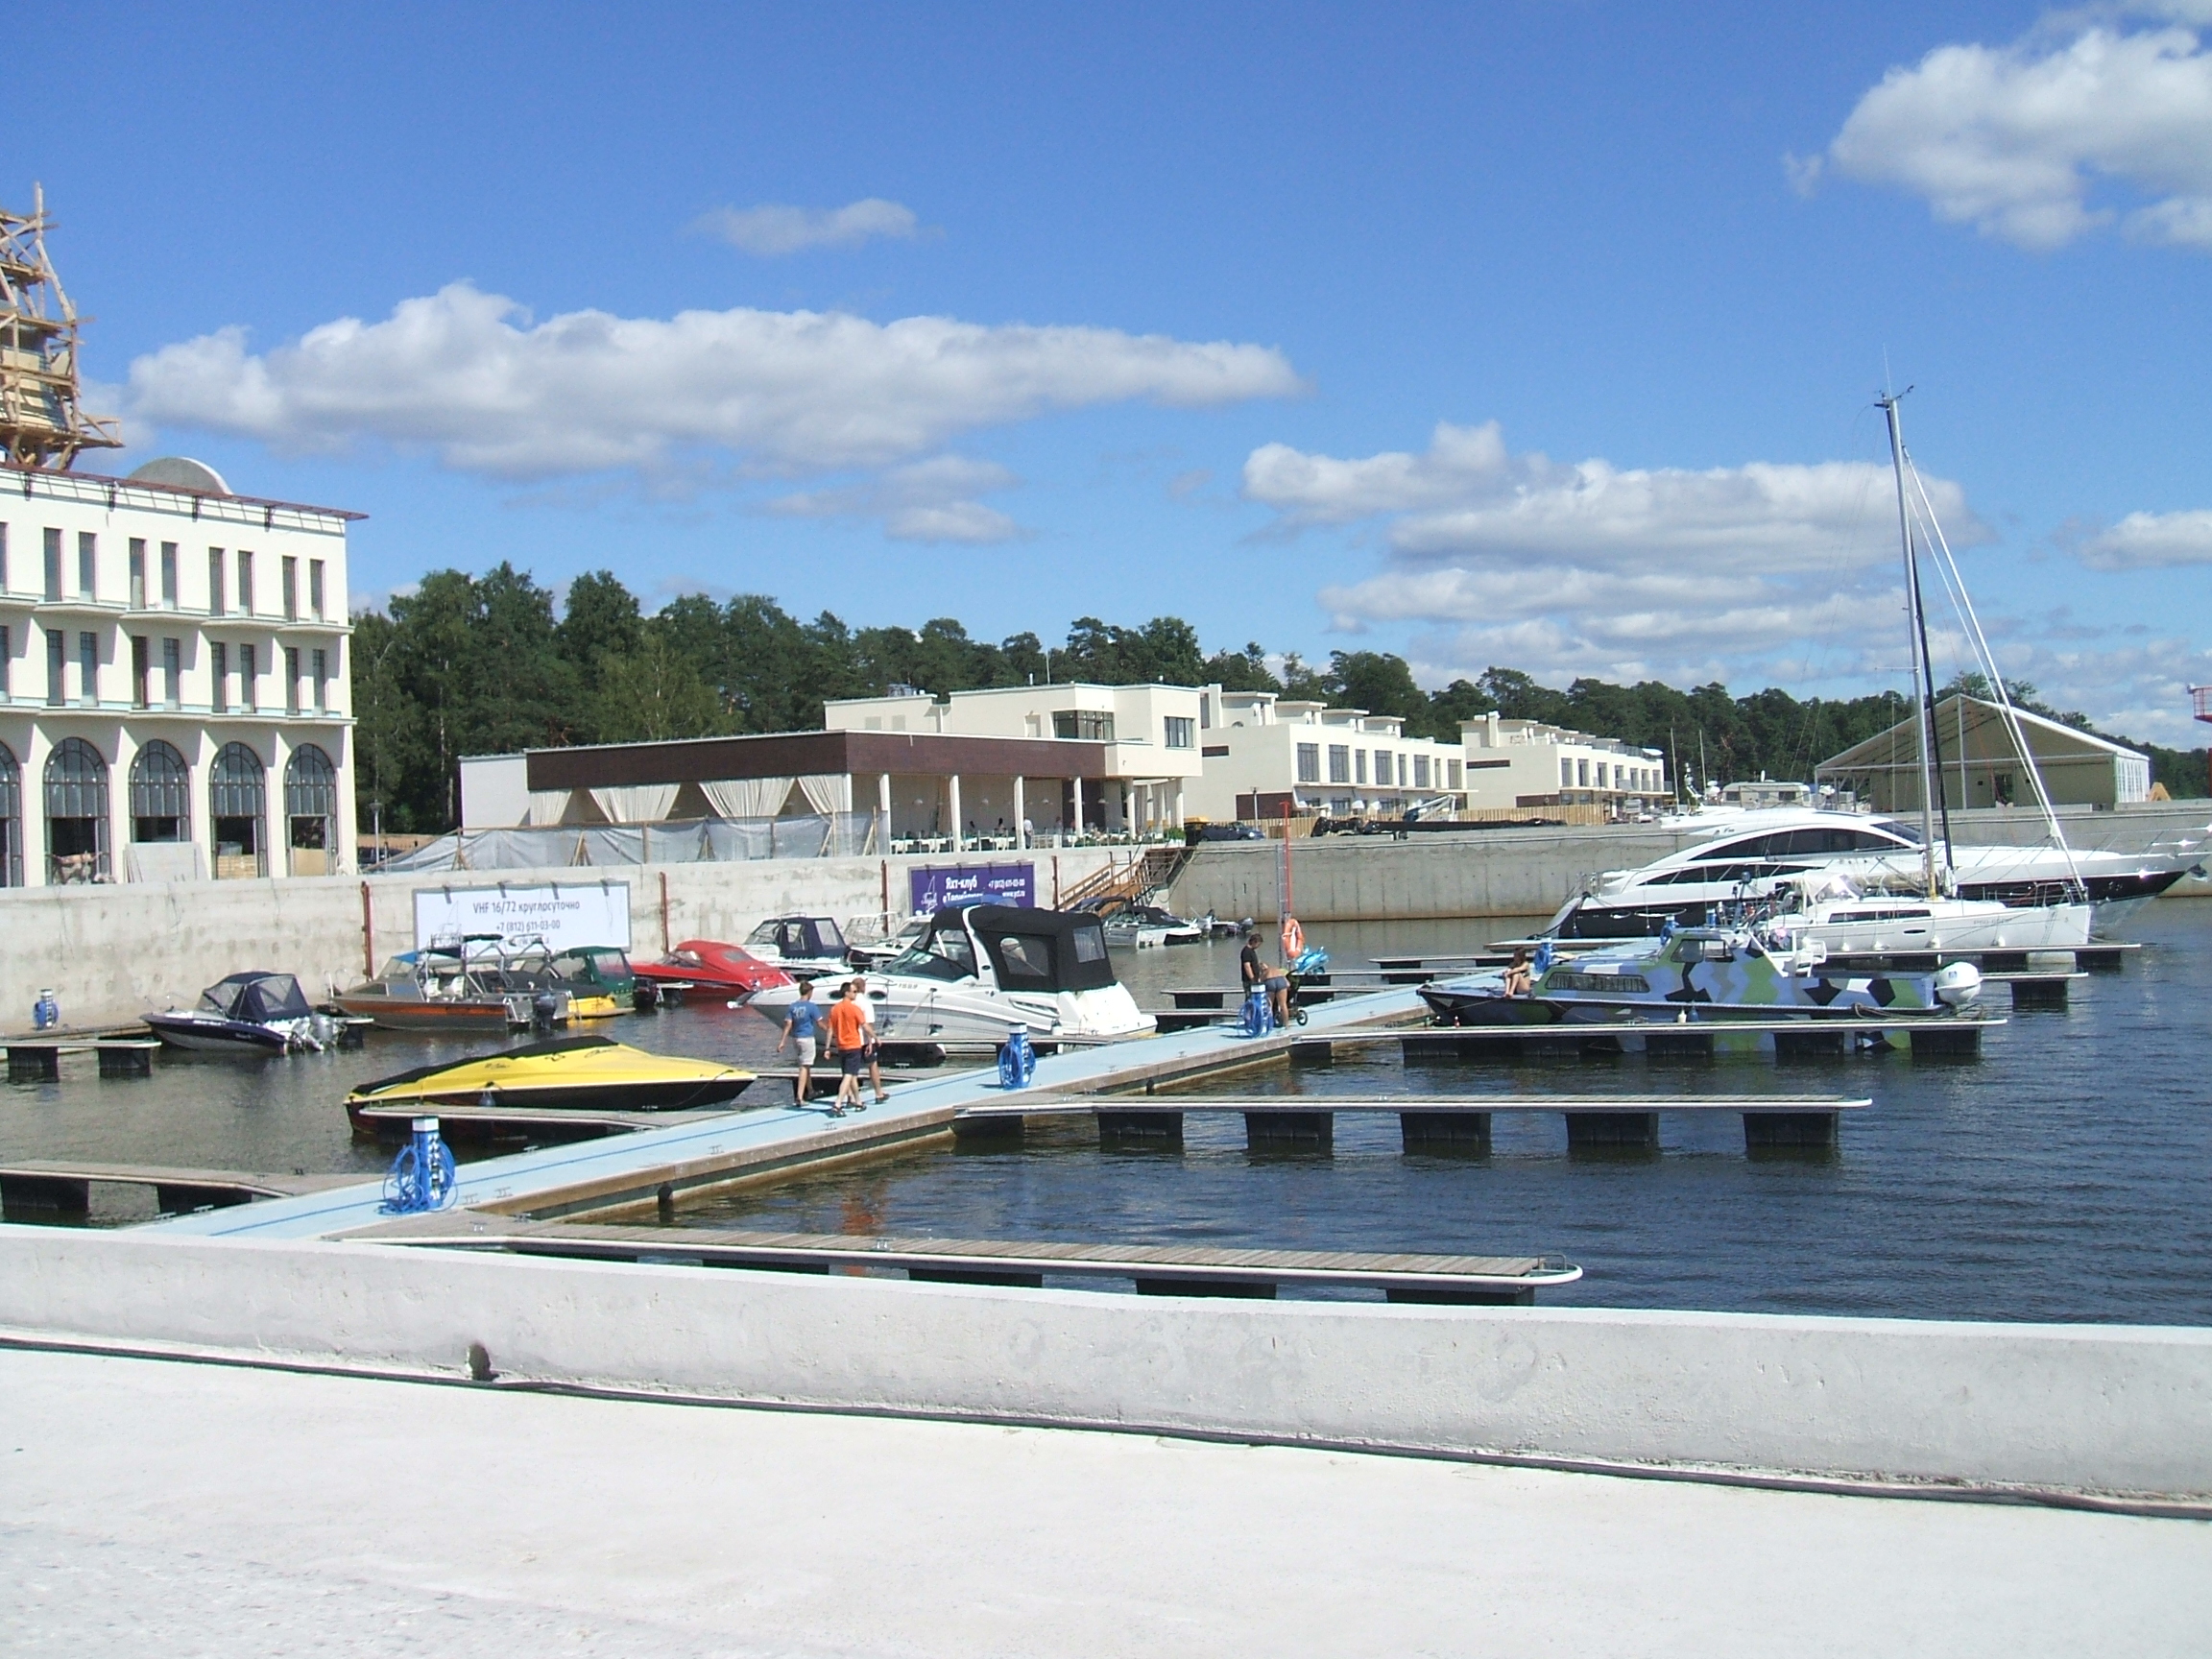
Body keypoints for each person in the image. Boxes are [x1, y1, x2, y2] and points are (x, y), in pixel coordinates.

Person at [823, 981, 872, 1114]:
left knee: (851, 1075)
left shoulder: (834, 1009)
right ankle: (838, 1104)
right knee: (848, 1076)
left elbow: (830, 1030)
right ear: (847, 993)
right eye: (854, 991)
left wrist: (827, 1048)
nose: (856, 994)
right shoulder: (854, 1009)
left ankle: (858, 1101)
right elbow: (865, 1025)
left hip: (841, 1047)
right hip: (853, 1045)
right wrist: (875, 1038)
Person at [777, 979, 822, 1105]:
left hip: (796, 1038)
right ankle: (800, 1097)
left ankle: (811, 1090)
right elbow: (819, 1022)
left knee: (805, 1064)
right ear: (809, 992)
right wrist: (830, 1031)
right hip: (807, 1038)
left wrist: (782, 1041)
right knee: (804, 1067)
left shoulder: (793, 1007)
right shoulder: (811, 1006)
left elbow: (788, 1025)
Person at [848, 975, 891, 1105]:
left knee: (851, 1070)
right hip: (864, 1040)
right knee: (872, 1065)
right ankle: (878, 1093)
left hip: (851, 1039)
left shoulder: (849, 1003)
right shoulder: (866, 1003)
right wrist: (871, 1042)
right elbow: (869, 1024)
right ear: (863, 988)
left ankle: (851, 1097)